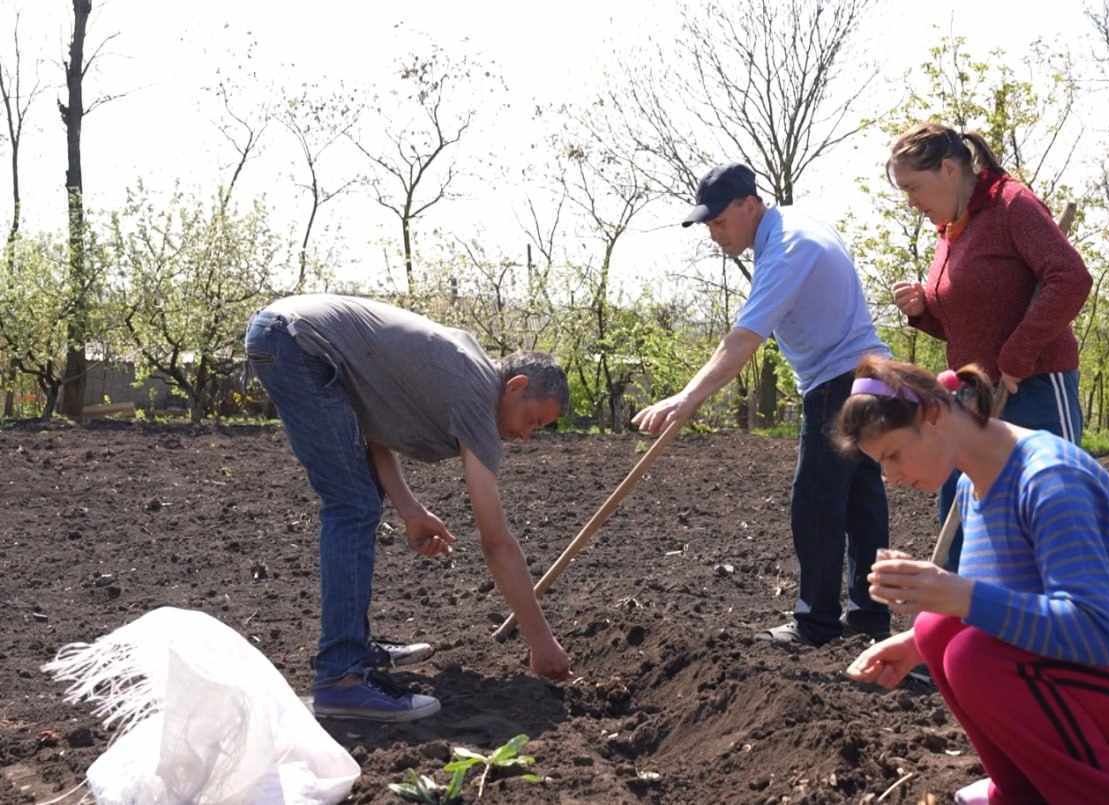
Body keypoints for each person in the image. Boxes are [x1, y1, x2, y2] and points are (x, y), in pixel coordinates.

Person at [838, 356, 1109, 804]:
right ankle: (1023, 794)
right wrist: (918, 644)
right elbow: (1000, 613)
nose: (891, 478)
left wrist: (958, 593)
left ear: (933, 415)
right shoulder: (970, 486)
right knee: (940, 630)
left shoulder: (1048, 478)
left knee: (974, 653)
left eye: (893, 455)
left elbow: (1094, 632)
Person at [244, 293, 572, 722]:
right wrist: (541, 641)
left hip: (290, 335)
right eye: (533, 421)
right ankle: (341, 679)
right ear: (517, 387)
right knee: (351, 503)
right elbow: (495, 542)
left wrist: (410, 510)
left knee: (358, 498)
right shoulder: (477, 392)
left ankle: (352, 650)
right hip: (296, 342)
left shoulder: (465, 371)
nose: (528, 436)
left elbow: (371, 426)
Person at [632, 162, 891, 647]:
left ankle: (815, 622)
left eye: (719, 221)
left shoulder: (789, 248)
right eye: (707, 225)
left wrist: (687, 399)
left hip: (838, 380)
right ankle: (868, 617)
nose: (714, 235)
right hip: (865, 373)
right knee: (861, 500)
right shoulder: (796, 228)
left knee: (817, 500)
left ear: (750, 204)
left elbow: (745, 338)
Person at [886, 123, 1093, 570]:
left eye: (913, 187)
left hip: (1033, 390)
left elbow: (1070, 278)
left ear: (946, 169)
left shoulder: (1011, 204)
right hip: (973, 394)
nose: (910, 201)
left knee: (1039, 519)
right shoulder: (949, 230)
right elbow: (973, 325)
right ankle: (961, 629)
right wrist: (924, 310)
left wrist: (1019, 353)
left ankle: (1052, 629)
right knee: (965, 518)